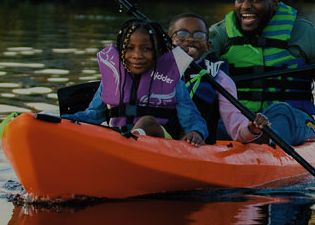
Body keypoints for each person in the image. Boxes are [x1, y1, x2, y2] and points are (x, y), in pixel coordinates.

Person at [207, 0, 315, 146]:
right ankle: (250, 137)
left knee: (280, 112)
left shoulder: (304, 32)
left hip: (290, 119)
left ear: (274, 2)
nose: (245, 6)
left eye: (256, 0)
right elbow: (191, 67)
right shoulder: (219, 34)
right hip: (237, 122)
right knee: (207, 117)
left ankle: (263, 140)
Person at [62, 18, 207, 145]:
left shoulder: (173, 81)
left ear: (158, 52)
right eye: (130, 48)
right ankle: (125, 145)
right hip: (117, 139)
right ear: (121, 51)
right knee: (52, 114)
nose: (137, 55)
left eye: (147, 49)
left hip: (161, 142)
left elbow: (192, 117)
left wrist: (196, 132)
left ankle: (130, 142)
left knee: (147, 122)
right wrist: (61, 119)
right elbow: (92, 116)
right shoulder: (111, 80)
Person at [167, 12, 270, 144]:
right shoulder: (155, 69)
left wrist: (252, 128)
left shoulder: (219, 78)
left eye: (199, 35)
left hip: (199, 147)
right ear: (169, 43)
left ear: (208, 46)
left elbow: (236, 128)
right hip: (159, 138)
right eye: (182, 34)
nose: (190, 39)